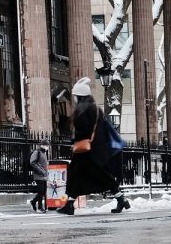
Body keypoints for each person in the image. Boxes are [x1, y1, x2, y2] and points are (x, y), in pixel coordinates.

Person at [61, 77, 130, 216]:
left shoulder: (82, 109)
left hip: (86, 151)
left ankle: (69, 204)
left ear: (80, 96)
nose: (75, 99)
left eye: (76, 96)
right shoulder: (95, 108)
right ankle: (69, 204)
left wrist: (75, 140)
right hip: (96, 150)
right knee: (93, 175)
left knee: (77, 175)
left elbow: (84, 129)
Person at [29, 143, 49, 211]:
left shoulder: (44, 153)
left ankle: (38, 205)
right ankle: (36, 203)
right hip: (38, 175)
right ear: (42, 145)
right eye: (46, 145)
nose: (47, 147)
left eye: (47, 145)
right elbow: (32, 162)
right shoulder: (37, 152)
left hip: (44, 175)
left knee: (43, 191)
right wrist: (41, 170)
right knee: (41, 191)